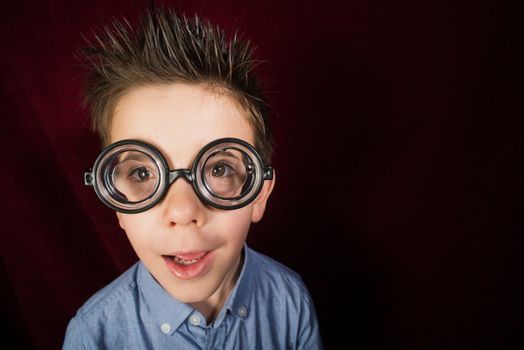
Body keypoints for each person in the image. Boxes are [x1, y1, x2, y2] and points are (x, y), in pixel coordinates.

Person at [63, 8, 322, 349]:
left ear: (258, 194)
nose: (183, 211)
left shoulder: (291, 302)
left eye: (219, 169)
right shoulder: (93, 335)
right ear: (118, 205)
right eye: (142, 173)